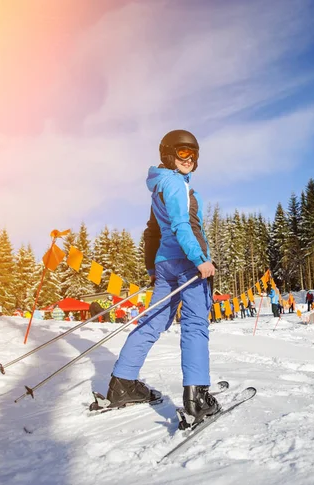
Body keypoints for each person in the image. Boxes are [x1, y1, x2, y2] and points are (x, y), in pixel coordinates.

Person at [105, 129, 219, 422]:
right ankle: (197, 395)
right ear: (168, 153)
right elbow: (182, 226)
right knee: (195, 324)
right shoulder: (177, 184)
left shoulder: (159, 186)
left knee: (153, 320)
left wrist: (153, 268)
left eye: (193, 154)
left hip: (166, 263)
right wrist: (200, 260)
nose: (189, 159)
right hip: (187, 263)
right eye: (183, 152)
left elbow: (152, 231)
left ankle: (123, 382)